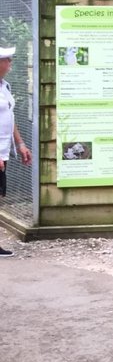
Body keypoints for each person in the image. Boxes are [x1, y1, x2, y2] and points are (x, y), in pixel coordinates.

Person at [0, 44, 33, 257]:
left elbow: (9, 118)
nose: (10, 63)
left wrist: (20, 144)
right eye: (7, 59)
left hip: (4, 151)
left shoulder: (5, 86)